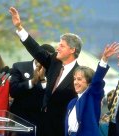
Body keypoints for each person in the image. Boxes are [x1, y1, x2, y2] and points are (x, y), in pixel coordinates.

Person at [9, 7, 82, 136]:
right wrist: (20, 27)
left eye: (61, 45)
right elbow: (36, 50)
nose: (57, 48)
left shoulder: (79, 74)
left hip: (62, 128)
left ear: (72, 50)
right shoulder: (54, 61)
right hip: (42, 125)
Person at [65, 43, 119, 136]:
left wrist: (104, 59)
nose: (75, 82)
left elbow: (97, 82)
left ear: (89, 83)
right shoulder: (72, 103)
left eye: (79, 79)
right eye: (75, 79)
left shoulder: (92, 96)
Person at [10, 44, 55, 136]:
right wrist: (32, 82)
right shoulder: (19, 67)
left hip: (40, 121)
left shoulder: (54, 73)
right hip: (19, 118)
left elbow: (51, 97)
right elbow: (13, 91)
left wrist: (42, 80)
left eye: (48, 57)